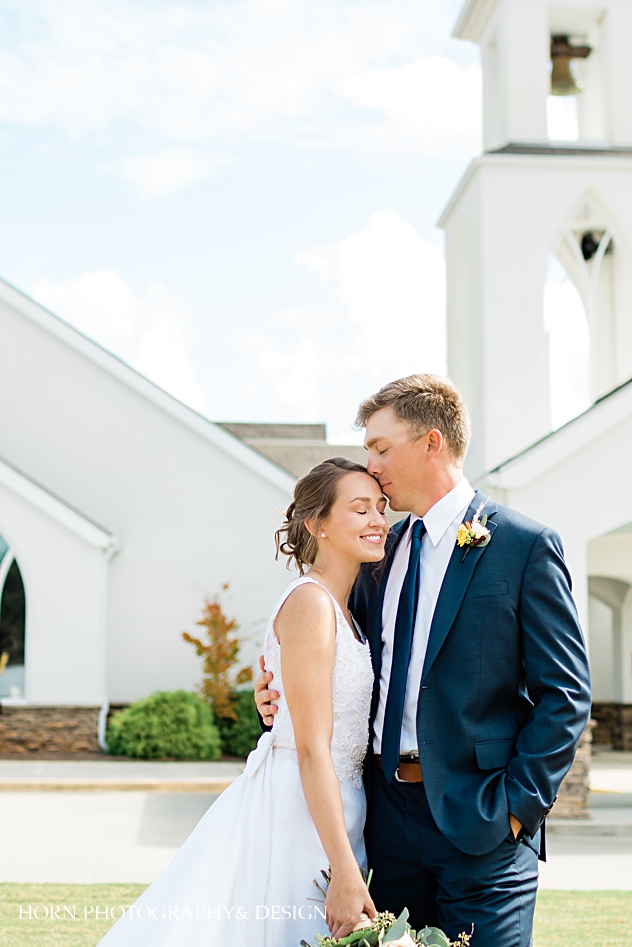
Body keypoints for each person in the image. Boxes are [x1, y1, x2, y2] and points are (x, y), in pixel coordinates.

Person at [256, 374, 592, 946]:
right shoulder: (376, 554)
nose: (372, 464)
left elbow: (566, 694)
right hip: (383, 826)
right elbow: (339, 664)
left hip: (483, 824)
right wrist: (274, 698)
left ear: (432, 443)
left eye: (382, 448)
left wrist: (516, 808)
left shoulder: (523, 546)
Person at [97, 457, 388, 947]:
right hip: (298, 811)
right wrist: (342, 868)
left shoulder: (344, 607)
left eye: (380, 507)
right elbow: (313, 748)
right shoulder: (311, 604)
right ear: (317, 525)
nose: (379, 520)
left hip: (338, 805)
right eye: (360, 510)